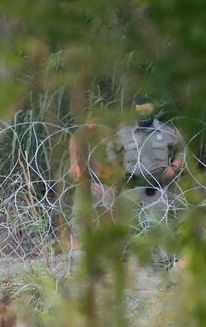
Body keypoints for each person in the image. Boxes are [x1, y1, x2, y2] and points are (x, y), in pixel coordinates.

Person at [71, 96, 187, 228]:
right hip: (130, 187)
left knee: (156, 228)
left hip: (156, 187)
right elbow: (109, 148)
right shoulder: (125, 131)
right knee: (125, 229)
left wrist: (174, 167)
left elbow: (181, 150)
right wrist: (115, 167)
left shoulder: (167, 130)